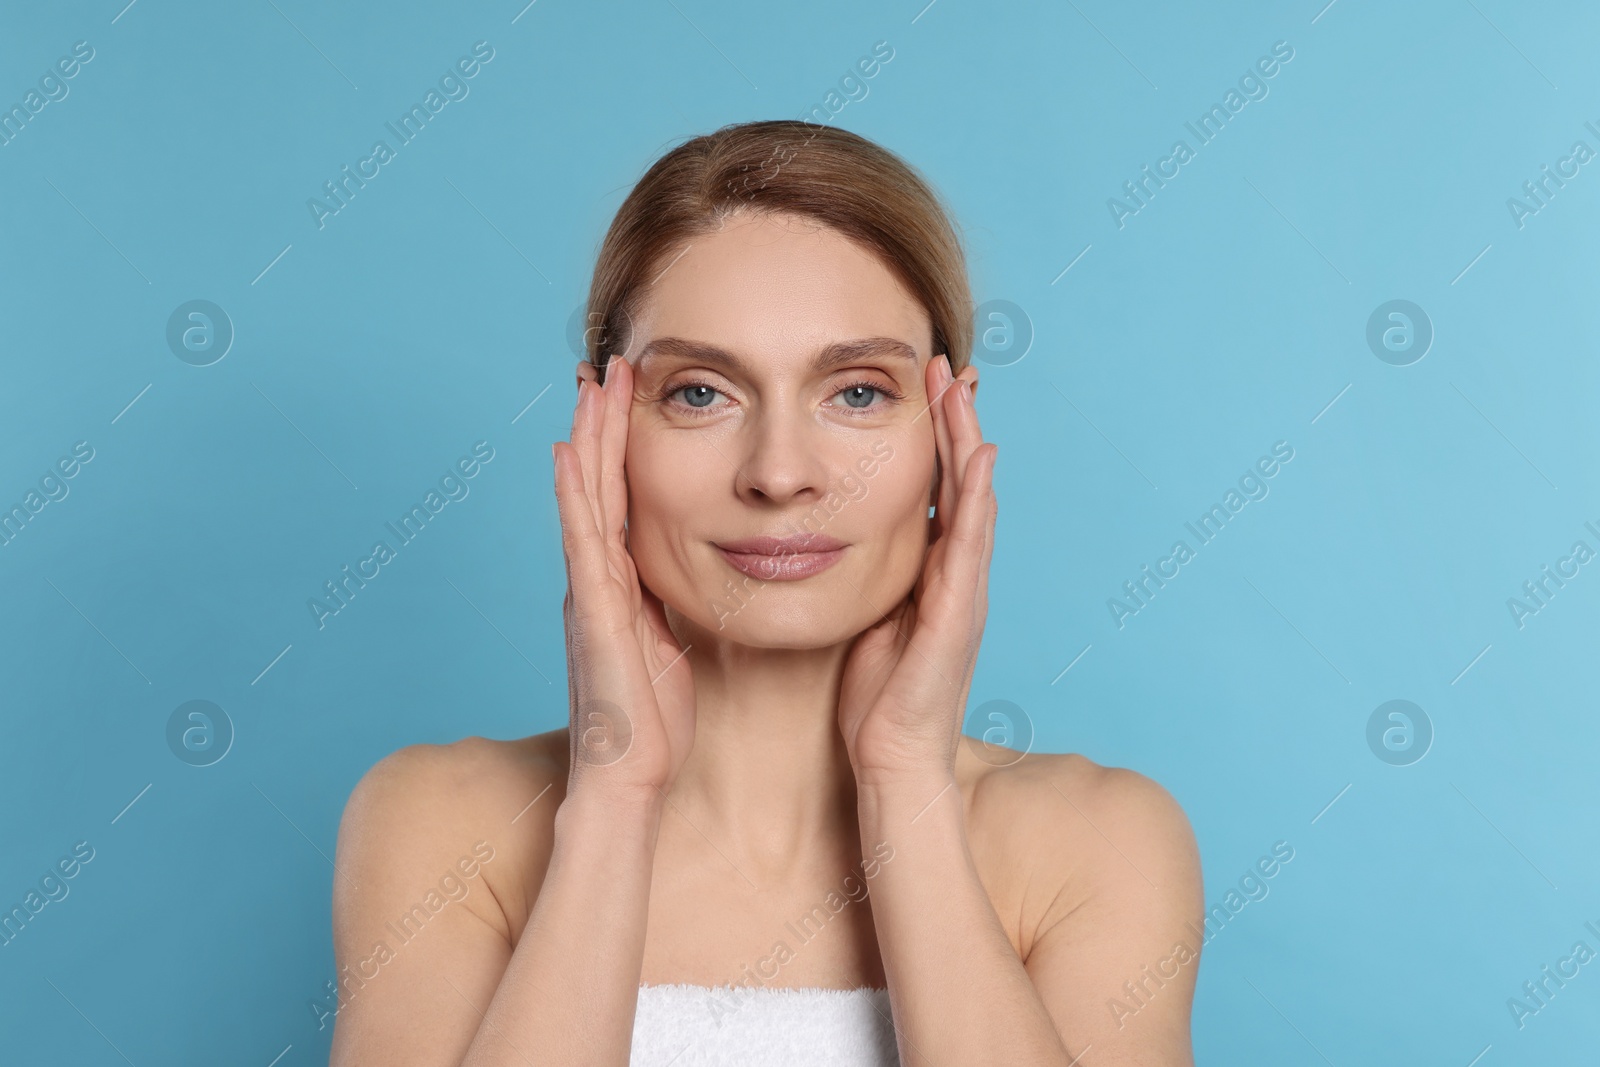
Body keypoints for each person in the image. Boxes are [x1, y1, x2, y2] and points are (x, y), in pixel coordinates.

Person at [328, 119, 1204, 1066]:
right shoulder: (436, 825)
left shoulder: (1100, 842)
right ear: (604, 431)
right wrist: (615, 791)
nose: (780, 474)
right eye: (702, 393)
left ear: (951, 432)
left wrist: (906, 783)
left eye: (858, 392)